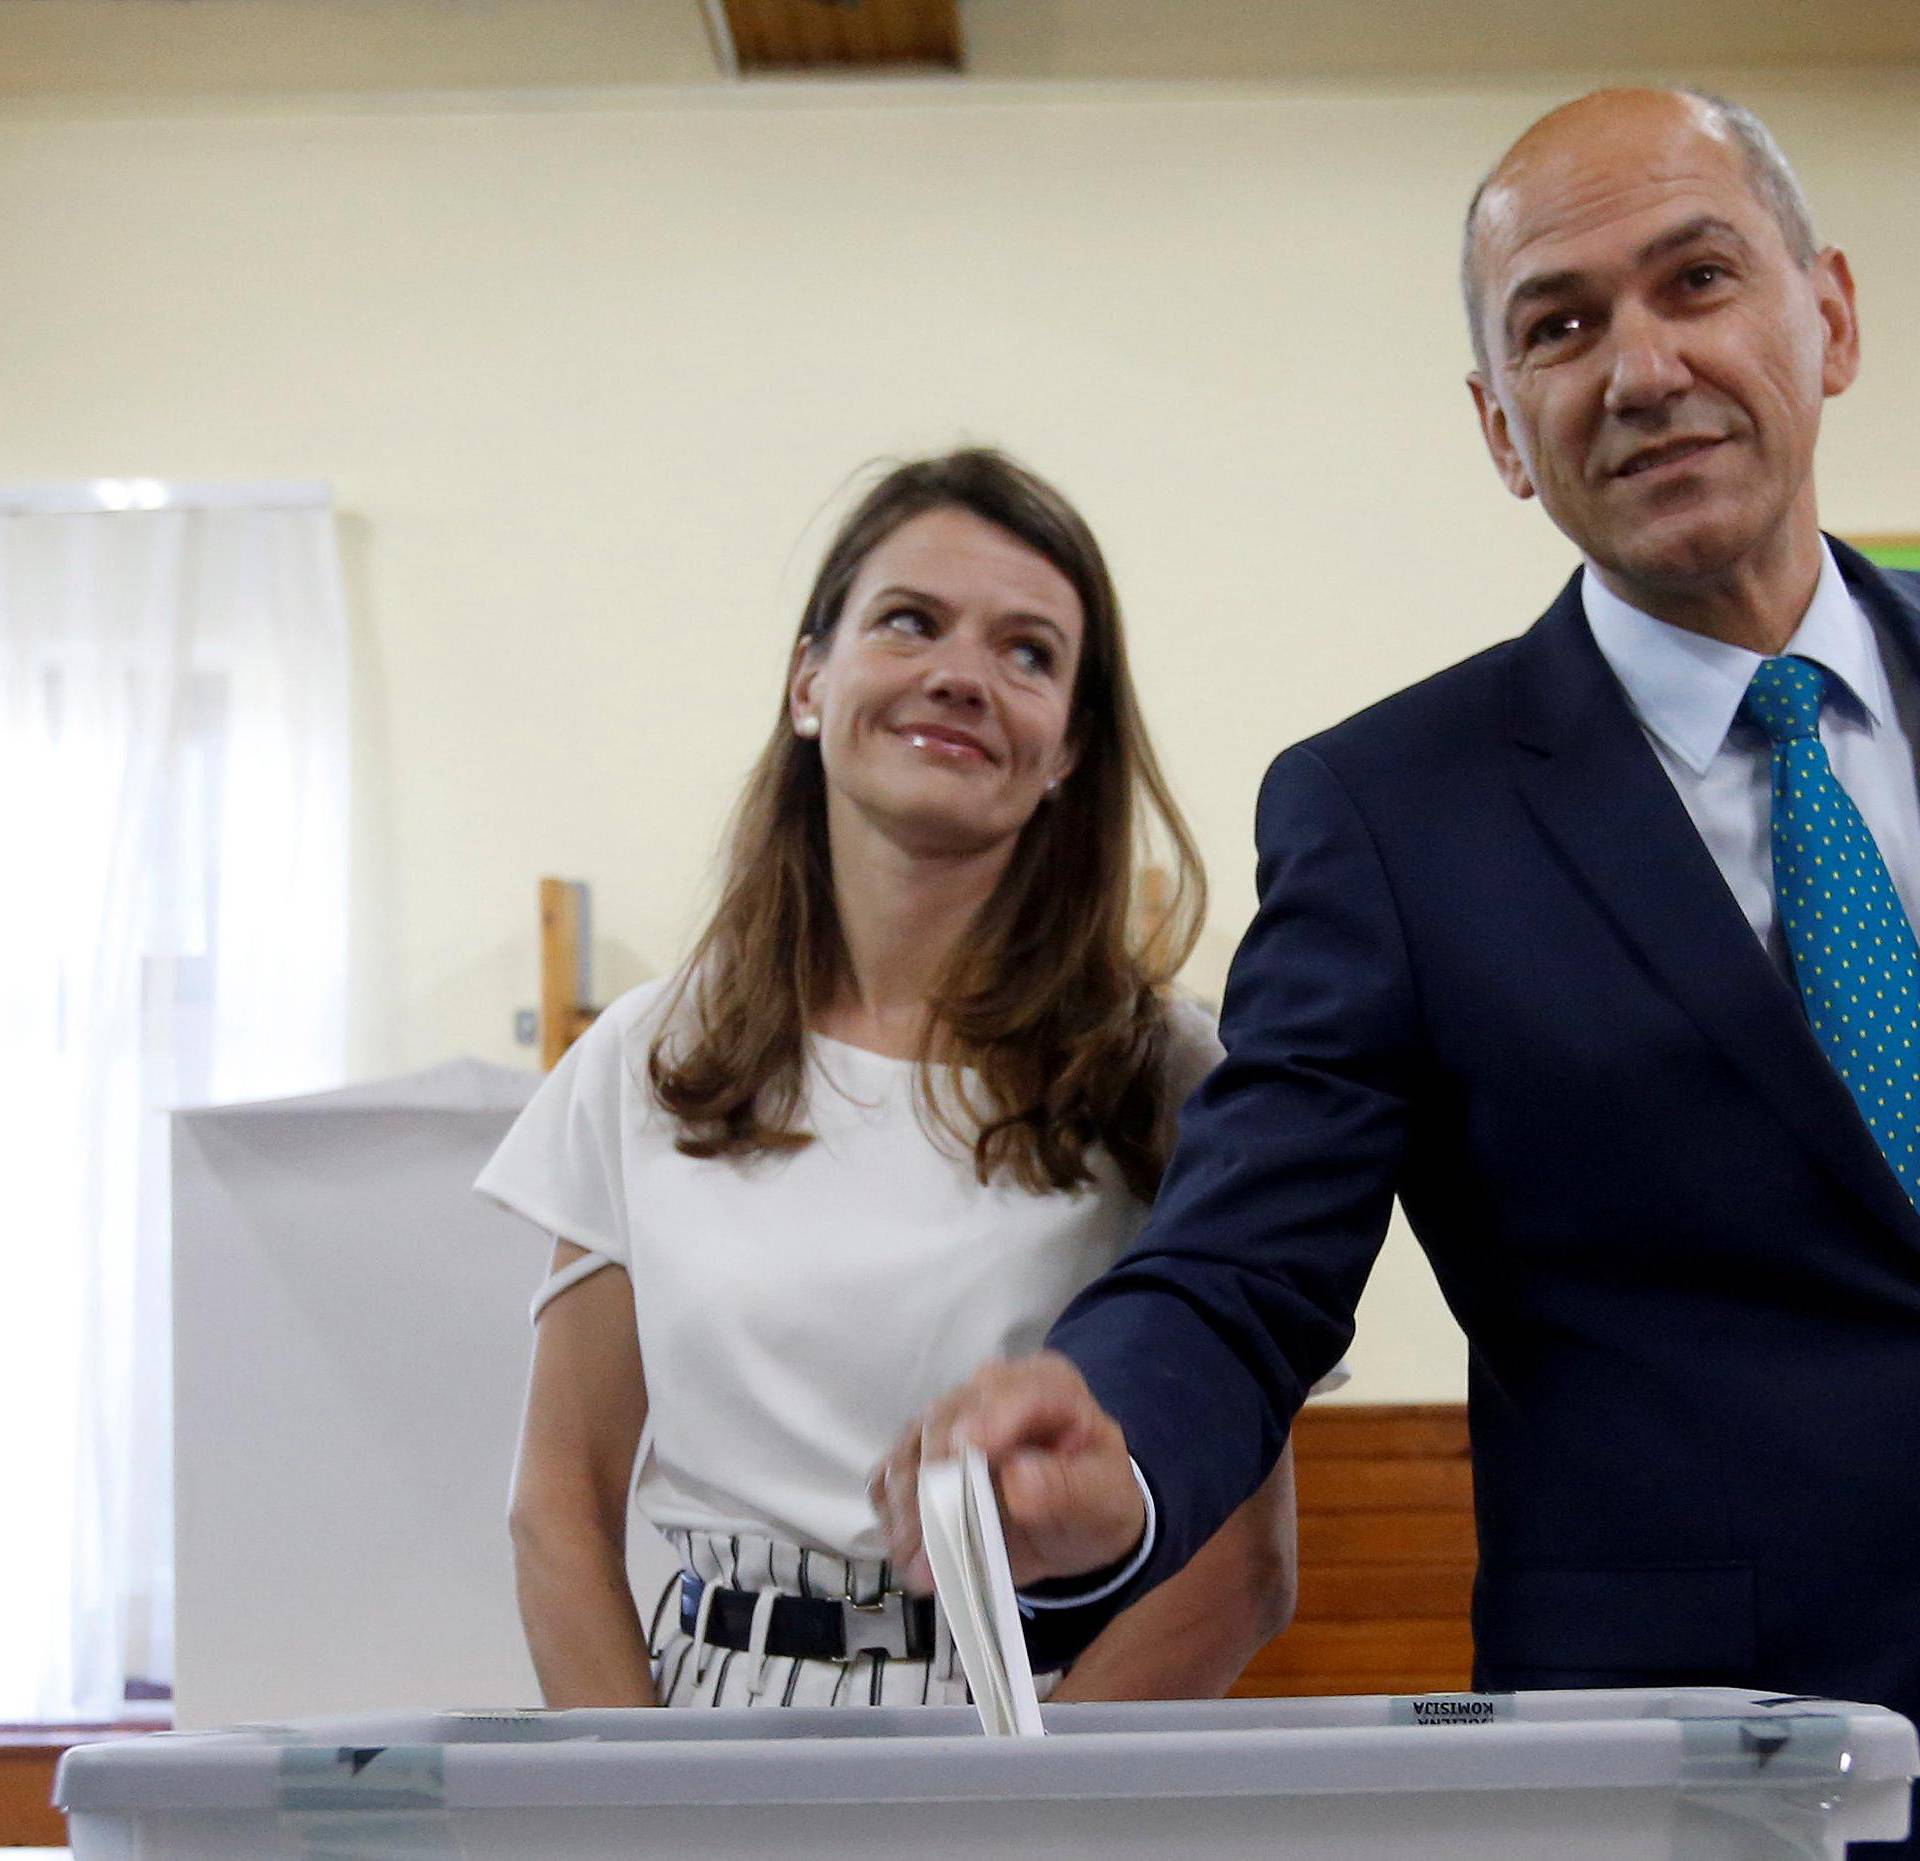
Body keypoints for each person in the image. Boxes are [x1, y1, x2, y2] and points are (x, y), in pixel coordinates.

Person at [875, 89, 1920, 1852]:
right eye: (1561, 327)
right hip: (1706, 1779)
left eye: (1698, 280)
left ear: (1826, 315)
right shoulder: (1390, 813)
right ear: (1503, 430)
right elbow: (1244, 1273)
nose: (1642, 366)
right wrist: (1108, 1448)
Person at [478, 448, 1325, 1711]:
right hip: (700, 1737)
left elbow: (1238, 1568)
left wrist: (1013, 1822)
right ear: (810, 681)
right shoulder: (648, 1056)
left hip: (1034, 1730)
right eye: (911, 621)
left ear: (1070, 751)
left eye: (1029, 652)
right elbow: (558, 1508)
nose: (962, 675)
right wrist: (638, 1816)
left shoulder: (1167, 1075)